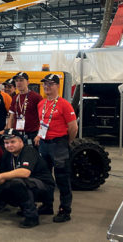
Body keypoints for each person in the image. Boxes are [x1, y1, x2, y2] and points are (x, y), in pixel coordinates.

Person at [0, 129, 55, 228]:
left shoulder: (29, 151)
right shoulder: (7, 154)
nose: (9, 145)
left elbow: (25, 172)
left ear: (21, 141)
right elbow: (2, 173)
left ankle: (32, 217)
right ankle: (4, 205)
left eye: (12, 142)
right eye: (6, 143)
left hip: (45, 187)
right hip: (29, 184)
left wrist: (1, 176)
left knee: (16, 183)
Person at [35, 74, 78, 223]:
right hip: (44, 143)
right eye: (45, 84)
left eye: (50, 84)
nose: (47, 86)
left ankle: (65, 210)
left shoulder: (64, 104)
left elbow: (73, 127)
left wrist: (66, 141)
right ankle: (47, 205)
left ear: (57, 85)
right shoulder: (41, 104)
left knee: (62, 178)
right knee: (45, 177)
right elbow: (42, 123)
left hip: (59, 144)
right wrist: (39, 136)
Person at [7, 72, 43, 146]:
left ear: (28, 82)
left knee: (31, 156)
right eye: (16, 81)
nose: (18, 83)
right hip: (17, 135)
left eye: (21, 80)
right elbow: (11, 118)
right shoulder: (15, 98)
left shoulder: (36, 97)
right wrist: (9, 132)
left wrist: (40, 135)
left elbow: (43, 118)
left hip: (32, 134)